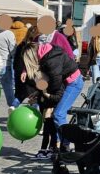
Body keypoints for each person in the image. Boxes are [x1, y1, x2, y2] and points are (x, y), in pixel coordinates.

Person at [14, 26, 82, 158]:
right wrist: (39, 94)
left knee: (58, 114)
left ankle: (65, 144)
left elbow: (55, 86)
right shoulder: (42, 50)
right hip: (64, 82)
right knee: (54, 116)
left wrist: (43, 96)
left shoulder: (51, 61)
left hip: (73, 83)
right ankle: (58, 145)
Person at [0, 22, 19, 112]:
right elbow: (13, 49)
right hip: (5, 64)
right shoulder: (8, 33)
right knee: (8, 88)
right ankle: (12, 107)